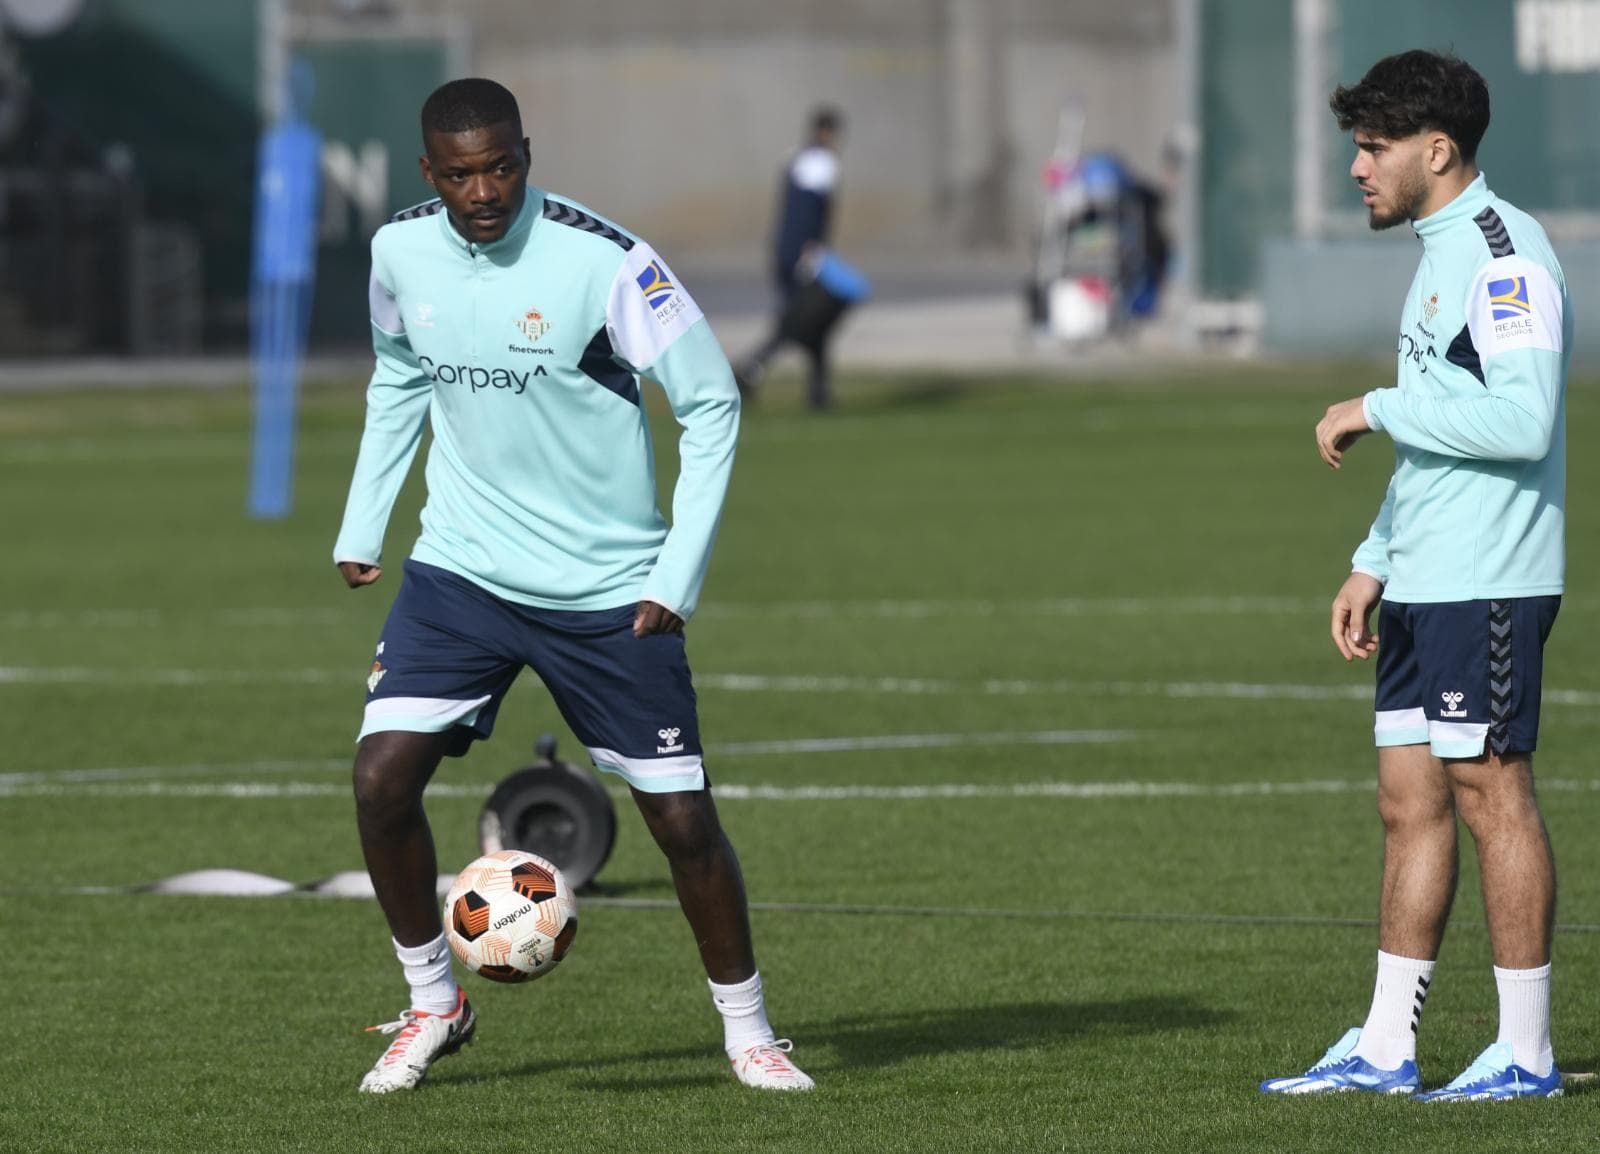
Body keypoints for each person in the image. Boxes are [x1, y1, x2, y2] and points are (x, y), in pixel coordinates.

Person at [332, 78, 813, 1095]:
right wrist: (362, 521)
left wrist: (675, 577)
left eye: (500, 165)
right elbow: (397, 373)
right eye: (459, 173)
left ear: (526, 154)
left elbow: (713, 403)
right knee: (380, 781)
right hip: (461, 568)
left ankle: (749, 1031)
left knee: (681, 824)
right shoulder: (396, 253)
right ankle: (433, 1003)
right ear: (429, 174)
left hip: (606, 588)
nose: (482, 190)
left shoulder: (608, 262)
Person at [1260, 50, 1569, 1101]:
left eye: (1373, 146)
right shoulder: (1437, 250)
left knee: (1492, 793)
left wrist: (1374, 404)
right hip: (1425, 576)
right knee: (1407, 801)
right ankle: (1385, 1047)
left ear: (1436, 150)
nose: (1357, 166)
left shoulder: (1500, 252)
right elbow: (1445, 427)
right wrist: (1373, 557)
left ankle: (1524, 1051)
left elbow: (1521, 422)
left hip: (1487, 575)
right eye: (1355, 144)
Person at [734, 106, 846, 410]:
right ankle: (751, 368)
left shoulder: (795, 157)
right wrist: (813, 251)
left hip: (783, 249)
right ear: (826, 131)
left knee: (813, 320)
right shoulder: (822, 163)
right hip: (804, 254)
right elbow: (812, 214)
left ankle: (818, 390)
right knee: (798, 320)